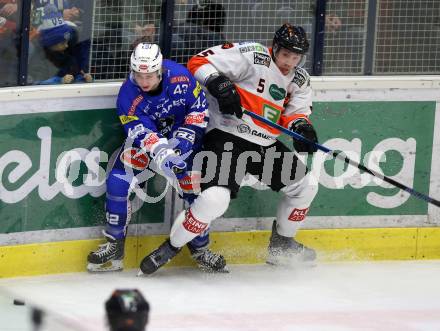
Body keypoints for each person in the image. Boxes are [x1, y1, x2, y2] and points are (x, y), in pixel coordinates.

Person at [139, 23, 320, 275]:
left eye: (295, 57)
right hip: (227, 134)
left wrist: (302, 128)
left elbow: (296, 113)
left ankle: (281, 245)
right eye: (285, 54)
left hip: (264, 143)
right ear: (275, 48)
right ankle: (171, 246)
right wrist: (219, 84)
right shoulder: (253, 54)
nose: (289, 61)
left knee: (306, 186)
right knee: (215, 199)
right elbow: (199, 62)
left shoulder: (300, 79)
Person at [87, 42, 227, 273]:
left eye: (149, 75)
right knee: (118, 182)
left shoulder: (181, 77)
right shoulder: (127, 96)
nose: (144, 81)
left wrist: (186, 138)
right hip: (150, 144)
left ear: (160, 70)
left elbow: (199, 108)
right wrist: (163, 153)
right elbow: (140, 132)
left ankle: (200, 249)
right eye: (139, 75)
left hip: (183, 139)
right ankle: (115, 246)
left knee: (196, 194)